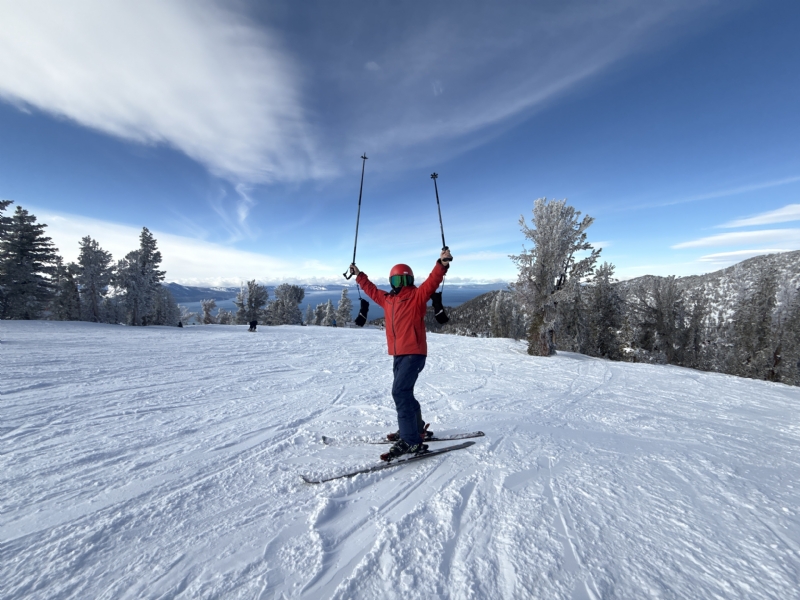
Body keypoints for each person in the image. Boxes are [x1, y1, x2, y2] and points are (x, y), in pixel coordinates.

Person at [350, 248, 452, 461]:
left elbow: (432, 282)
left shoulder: (417, 296)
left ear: (410, 281)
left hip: (414, 353)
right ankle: (415, 429)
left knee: (400, 392)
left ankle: (411, 441)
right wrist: (358, 275)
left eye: (404, 280)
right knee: (405, 392)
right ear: (392, 282)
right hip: (398, 354)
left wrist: (441, 264)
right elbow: (371, 290)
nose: (401, 284)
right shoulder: (388, 300)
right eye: (397, 280)